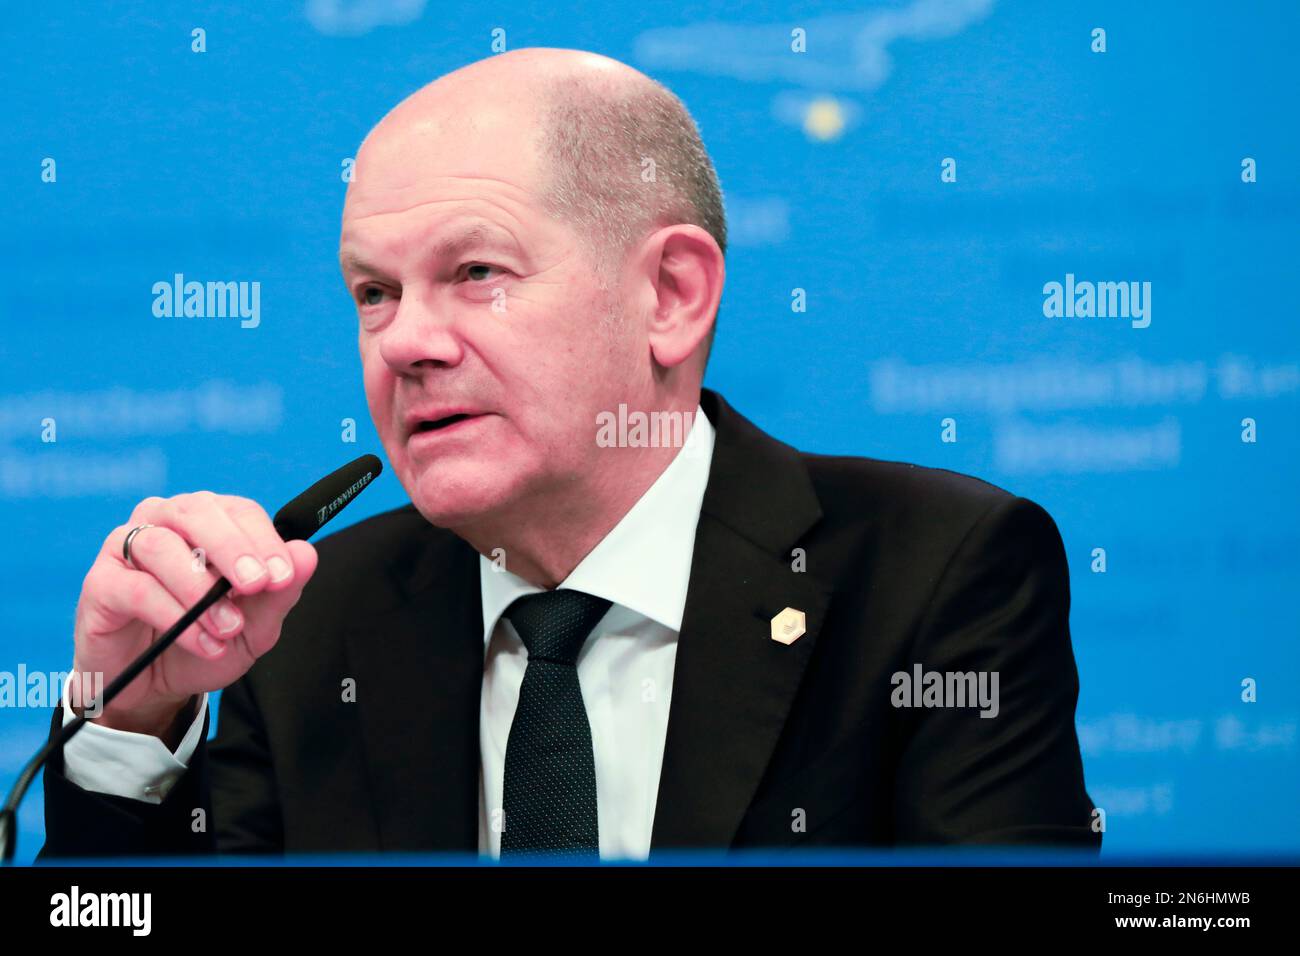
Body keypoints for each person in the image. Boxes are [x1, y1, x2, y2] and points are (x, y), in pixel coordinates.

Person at [40, 47, 1100, 860]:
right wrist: (133, 711)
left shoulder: (931, 574)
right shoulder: (318, 622)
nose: (404, 340)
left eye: (476, 271)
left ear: (670, 296)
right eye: (374, 292)